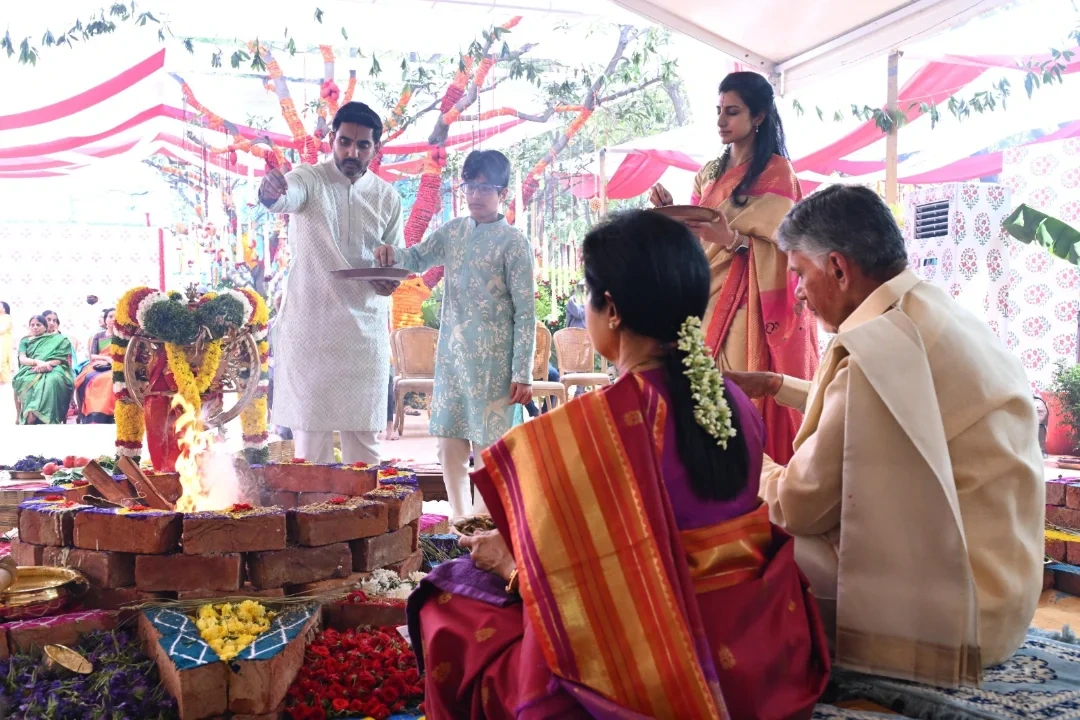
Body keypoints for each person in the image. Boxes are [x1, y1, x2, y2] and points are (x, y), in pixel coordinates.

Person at [407, 210, 829, 719]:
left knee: (445, 601)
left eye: (587, 296)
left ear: (610, 309)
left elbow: (578, 588)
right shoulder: (732, 402)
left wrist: (508, 565)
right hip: (761, 647)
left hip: (657, 662)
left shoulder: (593, 427)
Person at [726, 185, 1043, 686]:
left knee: (738, 540)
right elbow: (884, 410)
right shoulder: (935, 312)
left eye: (799, 275)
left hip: (952, 623)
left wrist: (737, 454)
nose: (799, 294)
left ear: (837, 268)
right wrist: (774, 386)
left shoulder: (877, 351)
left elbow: (800, 505)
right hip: (1003, 601)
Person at [650, 71, 817, 465]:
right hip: (703, 295)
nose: (722, 121)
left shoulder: (777, 173)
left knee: (737, 393)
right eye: (719, 111)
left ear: (758, 116)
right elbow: (695, 236)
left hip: (749, 301)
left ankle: (752, 482)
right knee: (700, 390)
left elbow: (789, 246)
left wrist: (734, 241)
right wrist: (667, 210)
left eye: (733, 112)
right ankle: (710, 480)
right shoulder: (708, 173)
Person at [375, 150, 536, 519]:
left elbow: (526, 313)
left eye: (486, 187)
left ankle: (485, 523)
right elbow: (415, 258)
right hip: (453, 359)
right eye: (470, 185)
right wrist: (389, 253)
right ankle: (459, 520)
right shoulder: (452, 232)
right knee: (448, 443)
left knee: (489, 449)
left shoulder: (514, 243)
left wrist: (522, 372)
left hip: (497, 365)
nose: (476, 194)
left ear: (504, 193)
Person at [258, 101, 404, 465]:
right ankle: (315, 520)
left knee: (364, 448)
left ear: (376, 148)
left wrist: (389, 280)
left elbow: (394, 256)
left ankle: (368, 522)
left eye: (362, 145)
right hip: (313, 329)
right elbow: (282, 198)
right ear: (331, 140)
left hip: (364, 331)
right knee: (311, 450)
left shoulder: (388, 197)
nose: (352, 152)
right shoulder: (310, 179)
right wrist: (270, 192)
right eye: (344, 142)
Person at [12, 315, 75, 425]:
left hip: (54, 368)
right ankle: (29, 414)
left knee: (52, 380)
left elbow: (60, 359)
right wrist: (37, 362)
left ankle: (45, 416)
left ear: (45, 327)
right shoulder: (25, 340)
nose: (35, 327)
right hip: (30, 368)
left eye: (38, 325)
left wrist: (46, 364)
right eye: (32, 325)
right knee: (26, 380)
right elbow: (22, 359)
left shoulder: (58, 339)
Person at [74, 307, 117, 424]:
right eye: (110, 316)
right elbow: (92, 355)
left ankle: (109, 416)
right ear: (105, 320)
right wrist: (106, 358)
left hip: (117, 365)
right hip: (98, 364)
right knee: (87, 378)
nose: (113, 319)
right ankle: (91, 416)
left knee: (109, 379)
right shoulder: (98, 336)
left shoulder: (124, 337)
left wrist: (113, 361)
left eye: (116, 316)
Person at [0, 301, 13, 384]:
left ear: (4, 309)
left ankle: (6, 383)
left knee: (3, 362)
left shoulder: (7, 317)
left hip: (3, 343)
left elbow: (2, 329)